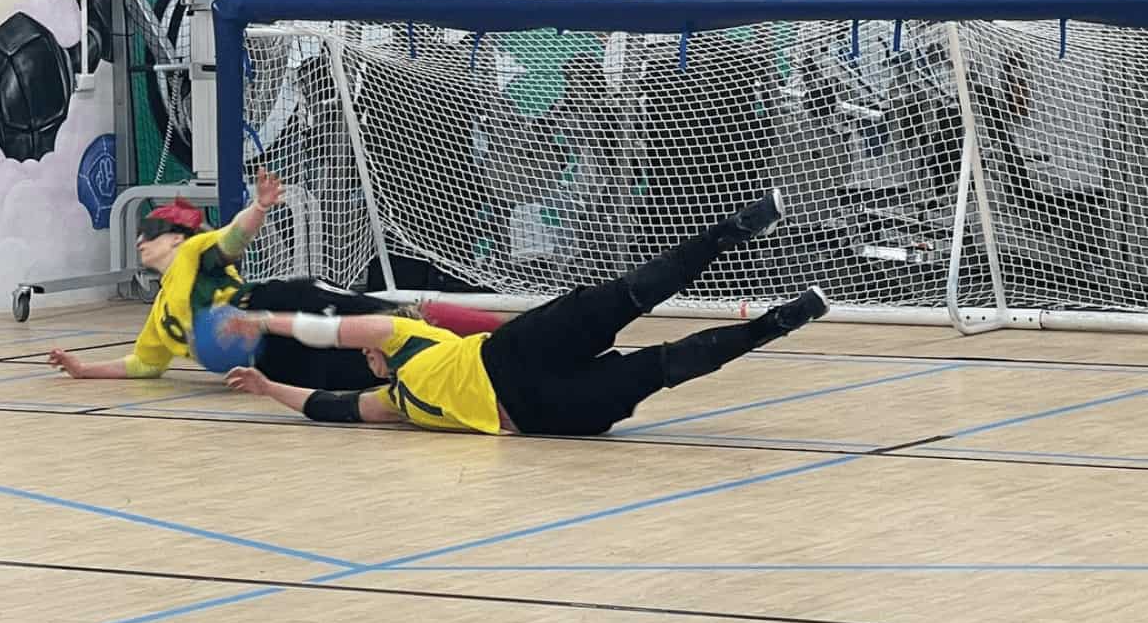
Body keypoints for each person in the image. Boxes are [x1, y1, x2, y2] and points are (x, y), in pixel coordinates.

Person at [222, 189, 830, 437]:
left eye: (365, 349)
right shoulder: (394, 401)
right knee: (661, 366)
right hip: (536, 411)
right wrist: (268, 384)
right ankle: (774, 323)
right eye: (365, 353)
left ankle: (734, 229)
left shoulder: (403, 336)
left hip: (516, 366)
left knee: (628, 298)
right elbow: (331, 409)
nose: (363, 351)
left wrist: (262, 323)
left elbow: (324, 330)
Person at [48, 169, 507, 389]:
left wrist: (260, 207)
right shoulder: (161, 315)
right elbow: (145, 365)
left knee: (398, 320)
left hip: (281, 305)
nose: (139, 244)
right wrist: (85, 369)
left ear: (173, 237)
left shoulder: (194, 253)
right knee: (371, 372)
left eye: (148, 234)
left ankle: (501, 332)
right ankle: (480, 368)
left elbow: (232, 240)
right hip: (271, 362)